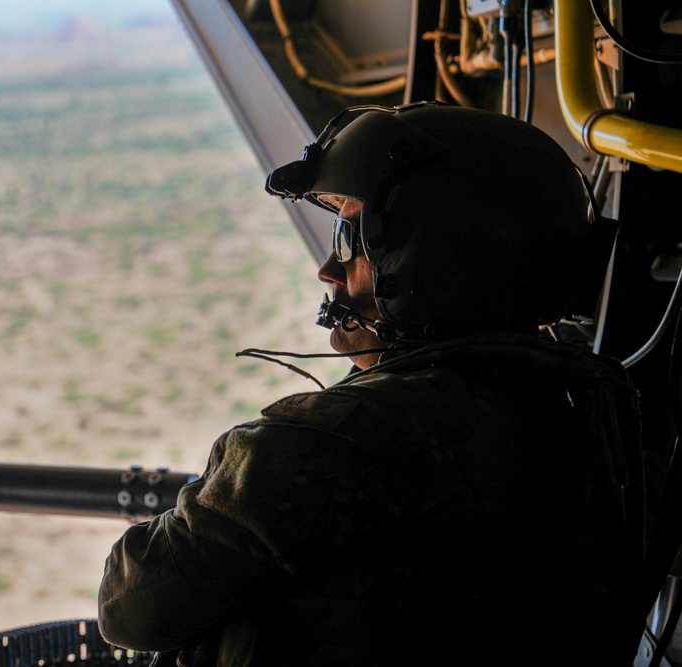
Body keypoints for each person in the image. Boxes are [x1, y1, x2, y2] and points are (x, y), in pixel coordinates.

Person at [97, 102, 646, 666]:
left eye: (348, 235)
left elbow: (131, 606)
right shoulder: (582, 408)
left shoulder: (338, 438)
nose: (328, 271)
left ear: (434, 257)